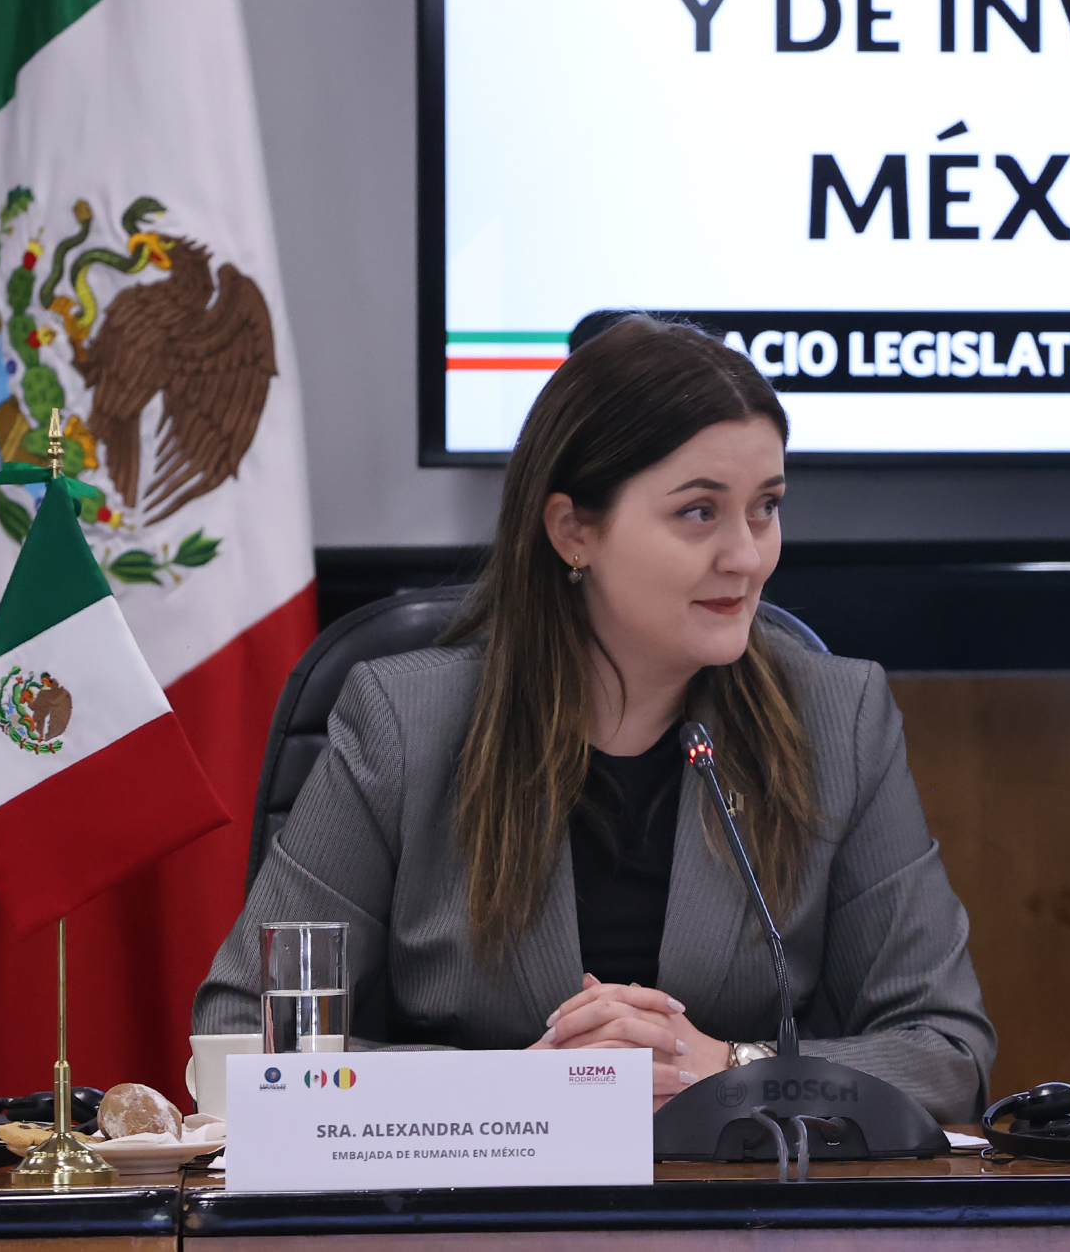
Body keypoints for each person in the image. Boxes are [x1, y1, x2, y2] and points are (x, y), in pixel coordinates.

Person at [195, 316, 994, 1120]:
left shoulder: (835, 719)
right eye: (699, 512)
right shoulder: (403, 723)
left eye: (765, 507)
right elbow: (246, 1037)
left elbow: (947, 1049)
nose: (748, 556)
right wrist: (516, 1088)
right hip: (480, 1195)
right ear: (573, 530)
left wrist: (732, 1067)